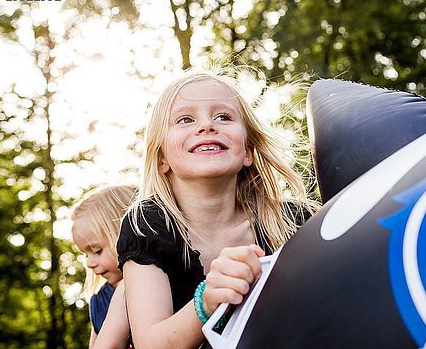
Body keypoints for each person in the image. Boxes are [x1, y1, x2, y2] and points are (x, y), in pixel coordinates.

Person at [116, 67, 318, 348]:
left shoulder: (296, 220)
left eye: (223, 117)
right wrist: (207, 300)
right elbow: (151, 343)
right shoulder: (147, 224)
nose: (207, 126)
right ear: (162, 158)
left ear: (248, 151)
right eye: (185, 119)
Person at [71, 185, 136, 349]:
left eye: (96, 251)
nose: (89, 263)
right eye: (86, 254)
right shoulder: (100, 300)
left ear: (125, 237)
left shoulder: (160, 285)